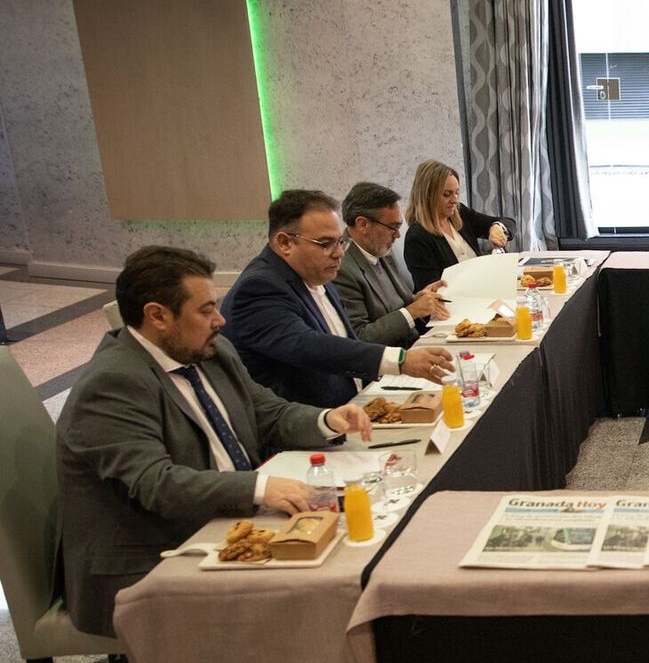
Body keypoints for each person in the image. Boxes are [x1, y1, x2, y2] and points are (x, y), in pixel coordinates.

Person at [55, 246, 375, 637]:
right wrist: (260, 487)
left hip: (226, 518)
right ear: (157, 316)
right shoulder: (113, 383)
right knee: (323, 598)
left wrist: (327, 418)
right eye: (205, 310)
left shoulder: (210, 350)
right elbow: (157, 484)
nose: (220, 320)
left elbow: (266, 412)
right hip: (151, 557)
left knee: (357, 546)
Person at [221, 189, 455, 408]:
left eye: (339, 241)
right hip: (309, 426)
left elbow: (345, 339)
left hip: (357, 404)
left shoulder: (317, 273)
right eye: (325, 244)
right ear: (285, 243)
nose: (339, 252)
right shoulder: (259, 287)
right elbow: (307, 346)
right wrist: (400, 360)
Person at [333, 182, 451, 347]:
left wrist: (420, 299)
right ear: (363, 225)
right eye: (393, 227)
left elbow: (397, 304)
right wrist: (413, 311)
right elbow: (359, 337)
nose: (397, 235)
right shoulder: (341, 268)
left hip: (415, 345)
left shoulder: (380, 249)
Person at [403, 159, 517, 288]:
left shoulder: (460, 213)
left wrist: (498, 227)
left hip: (482, 289)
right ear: (428, 195)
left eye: (457, 193)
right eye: (447, 194)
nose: (454, 200)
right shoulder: (417, 238)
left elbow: (509, 222)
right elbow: (432, 289)